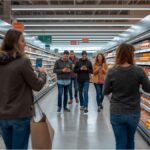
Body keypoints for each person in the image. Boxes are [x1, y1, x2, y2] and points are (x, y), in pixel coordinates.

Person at [0, 29, 47, 149]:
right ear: (15, 43)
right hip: (20, 114)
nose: (25, 43)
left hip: (3, 115)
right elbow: (37, 85)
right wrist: (42, 73)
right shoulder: (23, 62)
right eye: (22, 41)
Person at [103, 43, 150, 150]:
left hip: (117, 112)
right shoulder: (139, 71)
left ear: (118, 54)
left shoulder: (111, 71)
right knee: (130, 142)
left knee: (120, 143)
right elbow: (148, 89)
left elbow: (105, 92)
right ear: (130, 55)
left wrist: (114, 88)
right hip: (133, 112)